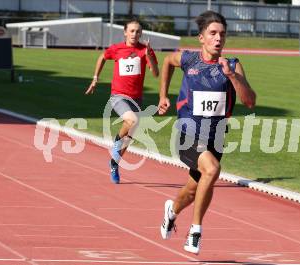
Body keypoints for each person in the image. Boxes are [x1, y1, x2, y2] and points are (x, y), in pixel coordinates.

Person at [157, 11, 256, 255]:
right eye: (212, 33)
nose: (218, 38)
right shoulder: (189, 60)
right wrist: (163, 96)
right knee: (212, 170)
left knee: (193, 190)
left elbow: (250, 101)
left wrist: (232, 76)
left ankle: (172, 211)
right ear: (202, 37)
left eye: (222, 34)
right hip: (188, 133)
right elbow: (168, 61)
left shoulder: (232, 65)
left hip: (215, 137)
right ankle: (195, 231)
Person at [85, 17, 159, 184]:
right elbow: (102, 57)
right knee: (131, 121)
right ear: (125, 32)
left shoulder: (145, 50)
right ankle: (116, 142)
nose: (135, 34)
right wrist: (95, 78)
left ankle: (114, 163)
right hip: (118, 96)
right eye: (132, 31)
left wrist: (150, 56)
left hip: (137, 98)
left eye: (138, 31)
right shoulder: (116, 49)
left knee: (130, 136)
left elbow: (155, 73)